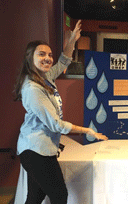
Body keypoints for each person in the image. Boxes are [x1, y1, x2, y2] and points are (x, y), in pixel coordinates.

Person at [14, 20, 108, 204]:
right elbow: (56, 124)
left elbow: (64, 60)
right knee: (59, 195)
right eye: (41, 54)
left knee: (36, 196)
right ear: (30, 58)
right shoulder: (33, 88)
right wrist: (87, 130)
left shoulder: (45, 77)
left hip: (41, 149)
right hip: (35, 151)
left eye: (49, 54)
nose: (48, 58)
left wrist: (72, 40)